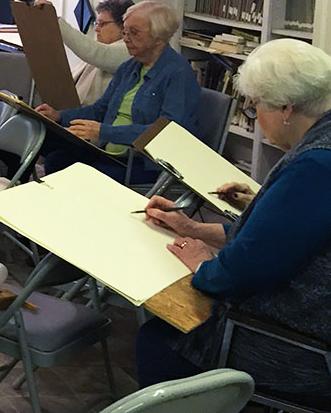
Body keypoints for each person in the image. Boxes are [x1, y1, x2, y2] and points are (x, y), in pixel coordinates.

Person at [135, 39, 331, 408]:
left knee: (159, 341)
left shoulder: (316, 166)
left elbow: (242, 270)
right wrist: (191, 228)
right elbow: (275, 238)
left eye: (257, 107)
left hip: (308, 349)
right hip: (314, 322)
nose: (256, 119)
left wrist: (203, 265)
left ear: (286, 107)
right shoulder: (322, 143)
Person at [35, 1, 200, 183]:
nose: (126, 38)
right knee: (53, 155)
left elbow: (166, 132)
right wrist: (59, 116)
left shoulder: (178, 73)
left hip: (143, 162)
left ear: (158, 37)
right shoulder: (129, 67)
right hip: (110, 151)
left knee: (79, 178)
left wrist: (105, 132)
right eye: (125, 32)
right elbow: (100, 110)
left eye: (134, 33)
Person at [33, 0, 133, 105]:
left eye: (102, 24)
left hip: (92, 119)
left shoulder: (128, 50)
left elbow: (95, 52)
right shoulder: (100, 51)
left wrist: (55, 20)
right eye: (96, 23)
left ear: (123, 26)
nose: (96, 29)